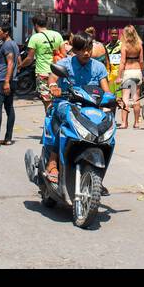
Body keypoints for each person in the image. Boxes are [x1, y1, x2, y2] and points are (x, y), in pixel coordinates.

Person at [43, 34, 110, 183]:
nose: (86, 53)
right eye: (82, 50)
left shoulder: (98, 67)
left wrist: (113, 100)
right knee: (64, 116)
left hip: (90, 107)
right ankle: (53, 162)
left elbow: (106, 90)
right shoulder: (65, 64)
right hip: (66, 103)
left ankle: (97, 177)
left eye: (89, 49)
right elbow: (53, 77)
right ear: (75, 50)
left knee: (105, 127)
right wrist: (54, 86)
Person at [21, 14, 65, 106]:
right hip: (57, 73)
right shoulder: (57, 35)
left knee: (48, 104)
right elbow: (64, 55)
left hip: (43, 74)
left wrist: (20, 65)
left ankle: (49, 120)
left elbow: (29, 58)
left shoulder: (35, 38)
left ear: (36, 25)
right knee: (58, 102)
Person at [117, 25, 144, 129]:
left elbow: (122, 62)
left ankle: (124, 123)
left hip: (128, 72)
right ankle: (137, 122)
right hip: (137, 71)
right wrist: (142, 73)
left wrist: (119, 76)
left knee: (125, 97)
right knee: (136, 97)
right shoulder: (139, 45)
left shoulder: (124, 46)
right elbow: (141, 61)